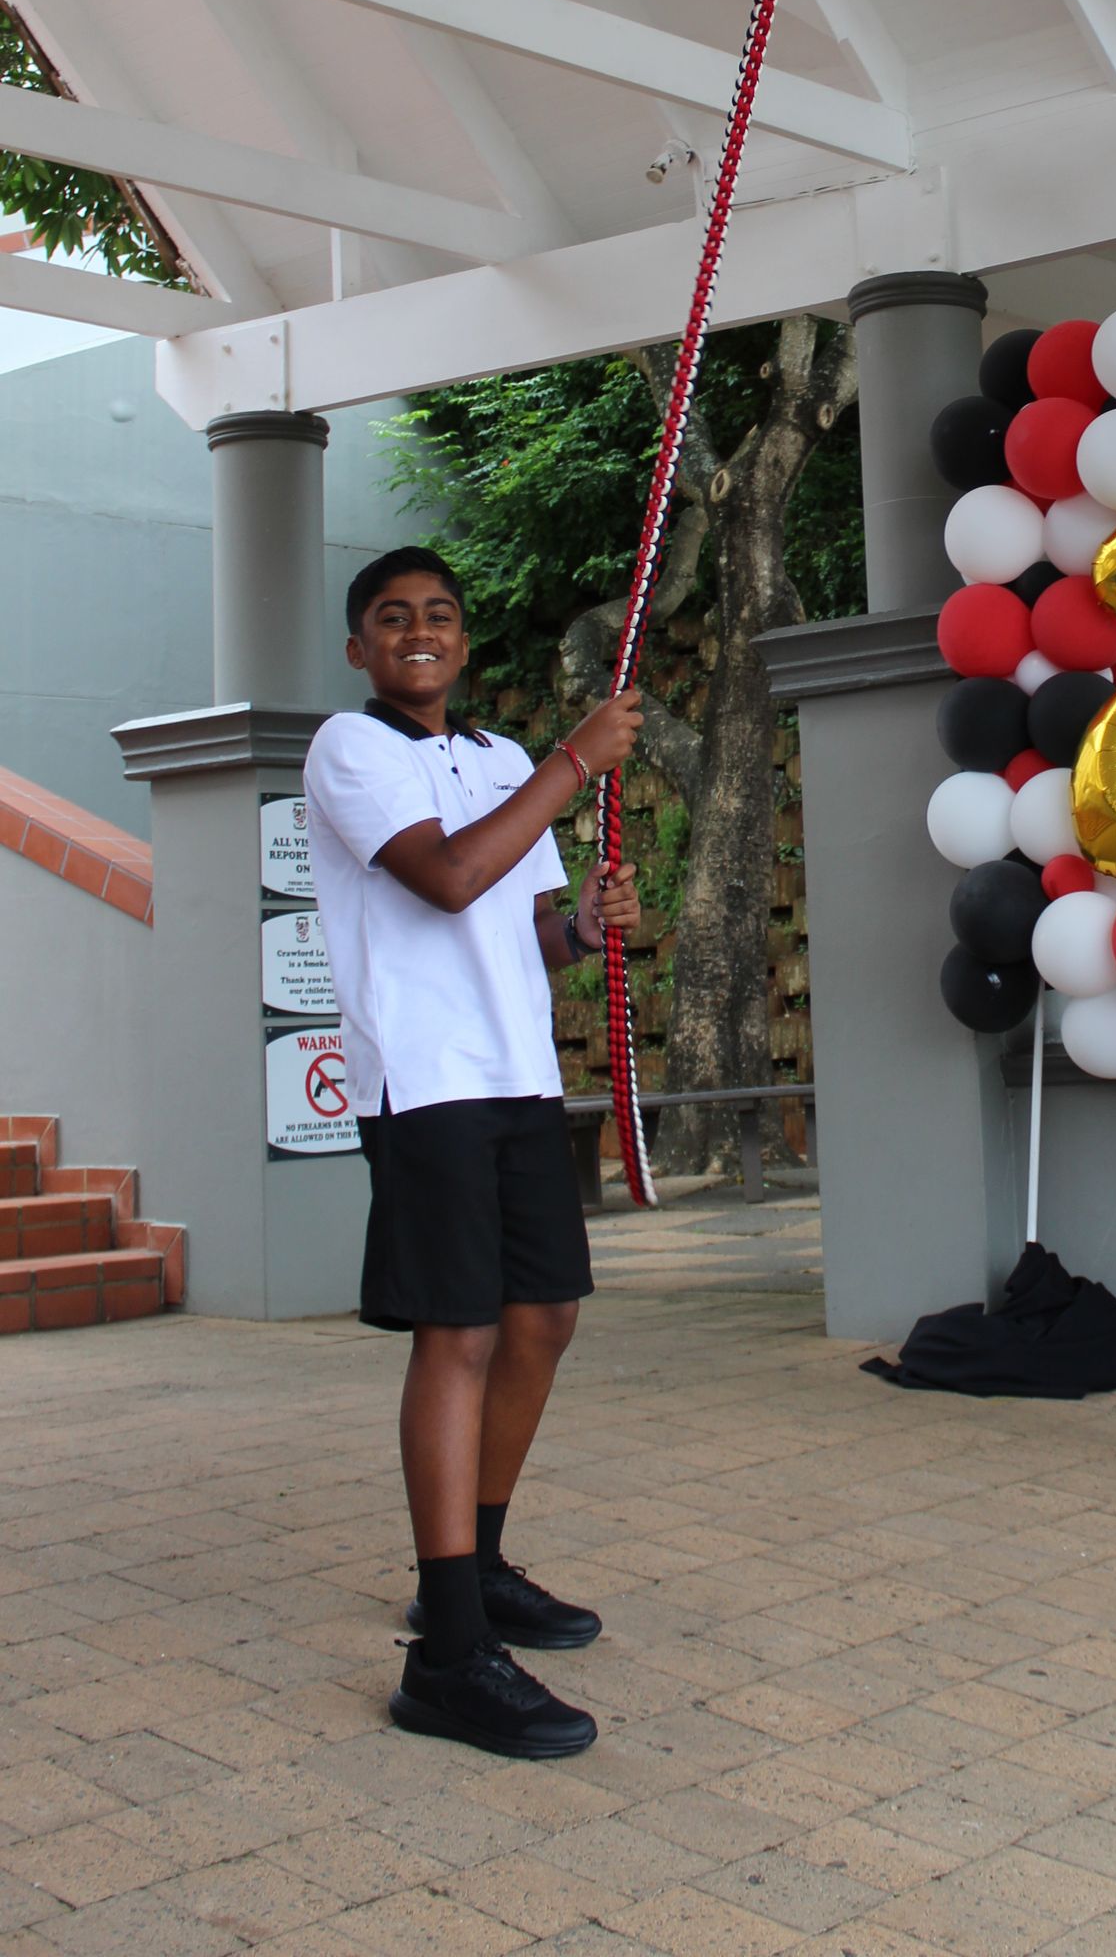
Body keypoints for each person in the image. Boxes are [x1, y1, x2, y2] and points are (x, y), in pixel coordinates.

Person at [303, 545, 646, 1761]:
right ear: (360, 647)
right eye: (393, 616)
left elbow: (521, 925)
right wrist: (576, 762)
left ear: (463, 639)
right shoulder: (351, 751)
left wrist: (581, 930)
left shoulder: (500, 759)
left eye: (439, 614)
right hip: (427, 1083)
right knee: (459, 1334)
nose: (419, 630)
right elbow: (448, 880)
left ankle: (478, 1567)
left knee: (542, 1317)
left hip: (518, 1077)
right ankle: (447, 1655)